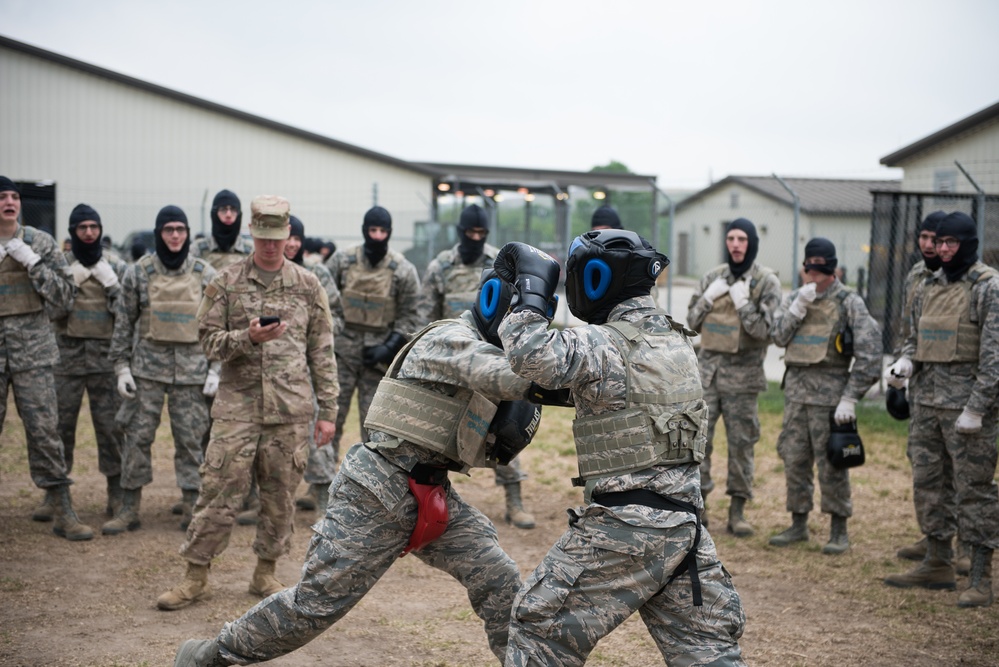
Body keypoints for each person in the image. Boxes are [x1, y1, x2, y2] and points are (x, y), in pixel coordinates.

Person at [172, 269, 541, 666]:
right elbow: (515, 374)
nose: (523, 336)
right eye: (522, 322)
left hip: (431, 491)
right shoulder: (451, 339)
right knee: (313, 606)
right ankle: (210, 656)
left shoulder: (489, 350)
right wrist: (586, 373)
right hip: (375, 491)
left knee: (497, 575)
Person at [494, 232, 746, 666]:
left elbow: (529, 350)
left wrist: (533, 292)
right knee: (707, 653)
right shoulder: (679, 342)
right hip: (684, 530)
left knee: (539, 630)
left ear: (596, 279)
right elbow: (619, 396)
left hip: (624, 530)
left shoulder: (602, 345)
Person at [157, 195, 340, 611]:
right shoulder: (226, 281)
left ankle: (265, 572)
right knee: (218, 491)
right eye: (263, 238)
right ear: (251, 234)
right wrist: (246, 338)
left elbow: (322, 354)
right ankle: (195, 576)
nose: (271, 246)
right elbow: (205, 341)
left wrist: (327, 412)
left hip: (289, 411)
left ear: (288, 236)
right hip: (237, 409)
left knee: (280, 497)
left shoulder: (308, 286)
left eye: (278, 238)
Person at [882, 212, 999, 608]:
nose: (944, 250)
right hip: (927, 404)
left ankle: (981, 577)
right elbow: (914, 336)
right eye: (940, 243)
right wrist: (905, 364)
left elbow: (994, 356)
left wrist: (978, 407)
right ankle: (937, 561)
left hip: (968, 412)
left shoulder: (987, 287)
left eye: (952, 243)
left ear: (968, 244)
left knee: (974, 491)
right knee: (929, 485)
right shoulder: (928, 283)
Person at [417, 203, 537, 529]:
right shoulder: (441, 266)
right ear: (460, 232)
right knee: (435, 435)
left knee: (503, 431)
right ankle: (427, 502)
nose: (475, 238)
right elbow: (425, 316)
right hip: (452, 363)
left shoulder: (500, 264)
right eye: (470, 232)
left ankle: (515, 501)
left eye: (481, 233)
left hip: (491, 362)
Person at [104, 205, 218, 535]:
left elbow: (217, 324)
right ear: (158, 233)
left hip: (192, 374)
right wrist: (122, 367)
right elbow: (124, 323)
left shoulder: (204, 273)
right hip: (146, 372)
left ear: (187, 233)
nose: (175, 236)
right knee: (136, 438)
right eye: (168, 230)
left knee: (191, 441)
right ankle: (128, 507)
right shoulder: (139, 271)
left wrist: (216, 369)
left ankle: (192, 503)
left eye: (180, 230)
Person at [769, 238, 881, 554]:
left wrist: (851, 397)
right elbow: (777, 336)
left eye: (820, 266)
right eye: (810, 266)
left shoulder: (849, 302)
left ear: (832, 268)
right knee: (794, 459)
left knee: (832, 464)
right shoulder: (795, 298)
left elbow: (871, 352)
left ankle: (838, 528)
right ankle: (798, 523)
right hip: (796, 396)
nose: (814, 273)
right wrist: (797, 307)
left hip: (831, 400)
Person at [0, 176, 93, 541]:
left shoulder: (40, 242)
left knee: (44, 432)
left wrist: (33, 263)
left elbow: (65, 297)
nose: (9, 202)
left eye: (13, 196)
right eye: (1, 197)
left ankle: (62, 508)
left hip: (33, 353)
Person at [686, 218, 781, 536]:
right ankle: (699, 507)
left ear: (751, 242)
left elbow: (766, 331)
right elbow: (690, 323)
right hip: (708, 376)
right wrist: (707, 299)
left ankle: (738, 511)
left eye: (742, 239)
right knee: (700, 444)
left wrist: (743, 304)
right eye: (731, 238)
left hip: (743, 378)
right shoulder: (713, 277)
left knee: (742, 445)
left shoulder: (766, 282)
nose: (736, 244)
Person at [886, 211, 966, 571]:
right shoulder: (918, 275)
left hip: (956, 393)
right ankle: (937, 539)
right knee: (927, 470)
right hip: (923, 386)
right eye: (927, 237)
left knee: (960, 473)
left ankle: (964, 545)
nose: (932, 245)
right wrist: (903, 365)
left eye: (939, 239)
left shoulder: (965, 280)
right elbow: (910, 329)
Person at [43, 204, 129, 523]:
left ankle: (117, 493)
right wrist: (70, 284)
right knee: (59, 428)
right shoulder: (61, 266)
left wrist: (113, 287)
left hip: (105, 361)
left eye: (94, 226)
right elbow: (49, 310)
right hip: (65, 360)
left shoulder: (117, 266)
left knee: (110, 429)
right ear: (73, 232)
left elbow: (127, 315)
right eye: (82, 228)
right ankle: (54, 494)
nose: (89, 232)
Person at [323, 206, 421, 465]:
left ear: (389, 233)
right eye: (372, 230)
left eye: (382, 231)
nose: (377, 236)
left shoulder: (402, 270)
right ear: (364, 231)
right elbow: (324, 303)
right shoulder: (342, 262)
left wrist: (390, 345)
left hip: (377, 360)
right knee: (329, 419)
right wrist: (336, 332)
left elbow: (411, 314)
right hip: (341, 355)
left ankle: (371, 487)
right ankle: (320, 484)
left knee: (376, 427)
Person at [285, 215, 346, 516]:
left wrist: (314, 333)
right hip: (271, 368)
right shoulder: (265, 273)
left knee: (315, 431)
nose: (293, 243)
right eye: (288, 237)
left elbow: (338, 316)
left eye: (297, 238)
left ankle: (324, 499)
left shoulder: (316, 273)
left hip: (309, 366)